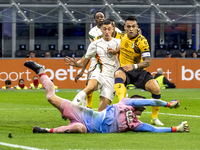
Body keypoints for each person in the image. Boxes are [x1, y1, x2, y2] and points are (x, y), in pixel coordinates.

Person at [24, 60, 190, 134]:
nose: (143, 111)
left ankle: (45, 131)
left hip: (88, 129)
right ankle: (41, 71)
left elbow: (153, 129)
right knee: (51, 97)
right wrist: (168, 104)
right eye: (142, 108)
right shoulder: (126, 102)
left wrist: (176, 128)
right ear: (137, 104)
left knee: (78, 129)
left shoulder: (135, 124)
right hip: (85, 115)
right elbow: (151, 100)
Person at [114, 16, 164, 125]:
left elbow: (147, 62)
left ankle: (154, 118)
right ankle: (123, 105)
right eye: (128, 27)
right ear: (125, 28)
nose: (131, 29)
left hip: (138, 70)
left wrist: (134, 66)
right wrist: (114, 51)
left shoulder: (142, 41)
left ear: (137, 27)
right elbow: (108, 33)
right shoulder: (121, 35)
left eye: (133, 26)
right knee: (118, 74)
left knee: (156, 88)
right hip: (125, 69)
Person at [64, 19, 121, 111]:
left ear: (113, 29)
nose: (106, 31)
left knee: (101, 110)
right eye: (104, 29)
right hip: (99, 72)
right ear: (101, 29)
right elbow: (83, 62)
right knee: (90, 87)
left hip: (112, 77)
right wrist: (76, 64)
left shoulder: (119, 42)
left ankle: (93, 122)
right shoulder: (95, 44)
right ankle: (72, 107)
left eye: (109, 29)